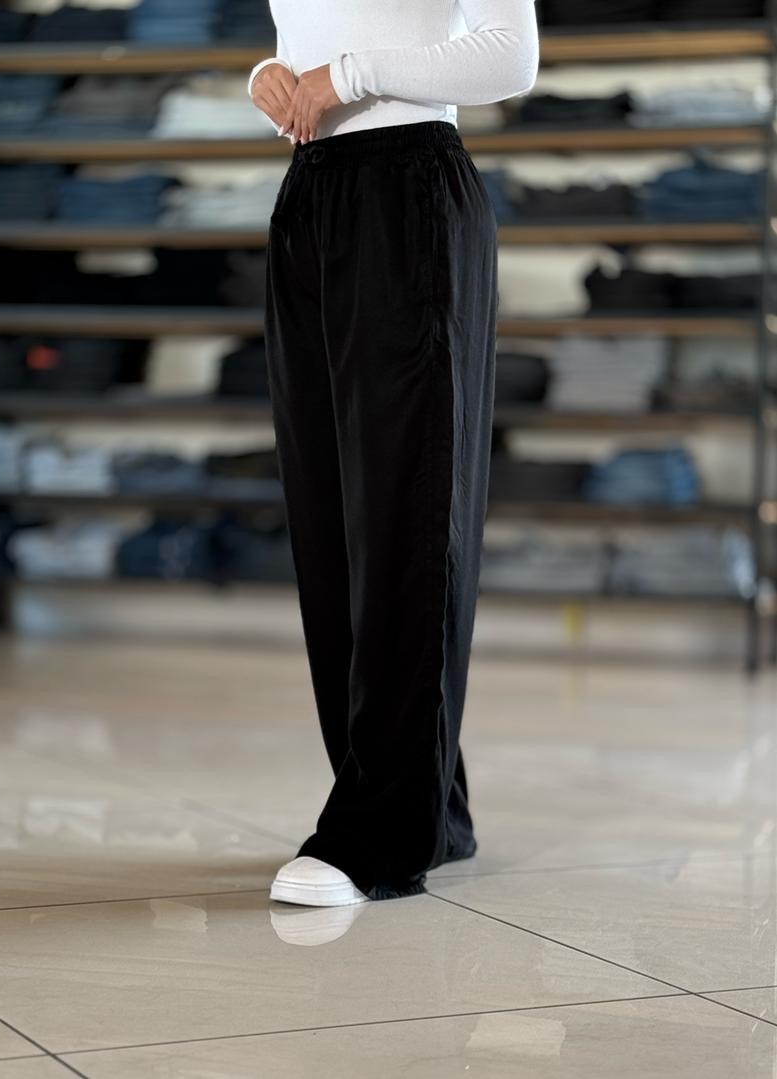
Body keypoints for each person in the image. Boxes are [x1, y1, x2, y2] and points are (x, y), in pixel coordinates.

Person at [248, 0, 539, 907]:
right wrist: (269, 75)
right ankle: (425, 804)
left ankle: (377, 831)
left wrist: (346, 76)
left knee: (406, 505)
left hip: (409, 186)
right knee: (329, 515)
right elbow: (315, 34)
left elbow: (510, 57)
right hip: (310, 188)